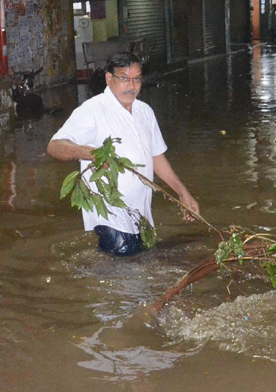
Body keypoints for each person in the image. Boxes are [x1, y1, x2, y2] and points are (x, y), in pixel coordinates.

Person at [47, 52, 199, 256]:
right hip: (110, 213)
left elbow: (156, 157)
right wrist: (88, 152)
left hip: (140, 213)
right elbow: (54, 146)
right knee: (126, 271)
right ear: (109, 79)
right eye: (124, 78)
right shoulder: (92, 110)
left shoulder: (144, 111)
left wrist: (182, 193)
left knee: (138, 266)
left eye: (137, 79)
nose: (132, 85)